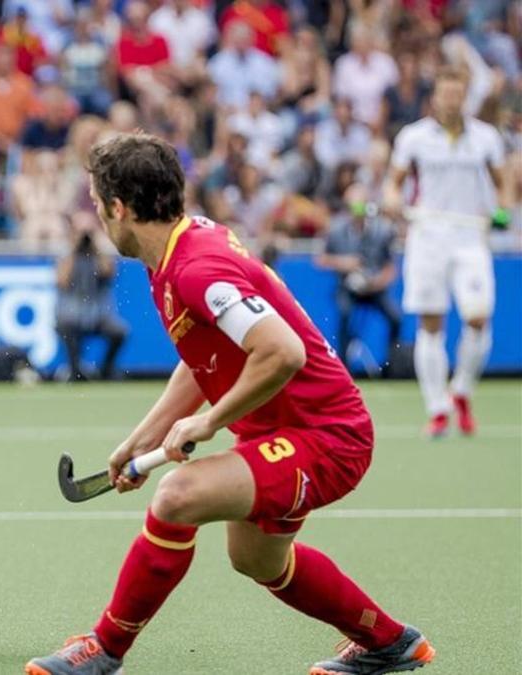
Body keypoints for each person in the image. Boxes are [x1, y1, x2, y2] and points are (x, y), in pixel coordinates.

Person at [26, 133, 433, 675]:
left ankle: (105, 649)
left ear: (120, 208)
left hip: (327, 437)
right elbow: (204, 358)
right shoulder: (173, 253)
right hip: (280, 430)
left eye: (100, 207)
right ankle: (390, 642)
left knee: (177, 496)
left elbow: (281, 351)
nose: (99, 219)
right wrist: (143, 436)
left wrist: (210, 421)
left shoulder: (196, 268)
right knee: (258, 560)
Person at [383, 66, 514, 438]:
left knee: (478, 316)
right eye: (445, 93)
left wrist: (503, 208)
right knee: (431, 322)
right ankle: (437, 408)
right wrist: (393, 202)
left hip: (471, 238)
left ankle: (461, 390)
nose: (451, 100)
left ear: (465, 96)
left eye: (458, 93)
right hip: (427, 238)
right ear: (435, 97)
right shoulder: (413, 138)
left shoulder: (486, 138)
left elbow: (503, 181)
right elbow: (394, 183)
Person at [315, 184, 402, 374]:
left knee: (395, 317)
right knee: (344, 313)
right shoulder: (336, 229)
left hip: (374, 288)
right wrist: (344, 263)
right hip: (347, 287)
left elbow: (390, 268)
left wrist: (378, 282)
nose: (358, 212)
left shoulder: (382, 230)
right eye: (353, 207)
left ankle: (392, 366)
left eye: (362, 207)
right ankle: (343, 368)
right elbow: (321, 260)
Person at [55, 212, 128, 381]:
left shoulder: (100, 252)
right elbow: (62, 280)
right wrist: (74, 246)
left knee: (119, 332)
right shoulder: (65, 253)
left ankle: (106, 369)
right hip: (72, 314)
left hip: (98, 315)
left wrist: (96, 243)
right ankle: (75, 371)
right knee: (65, 326)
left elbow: (108, 272)